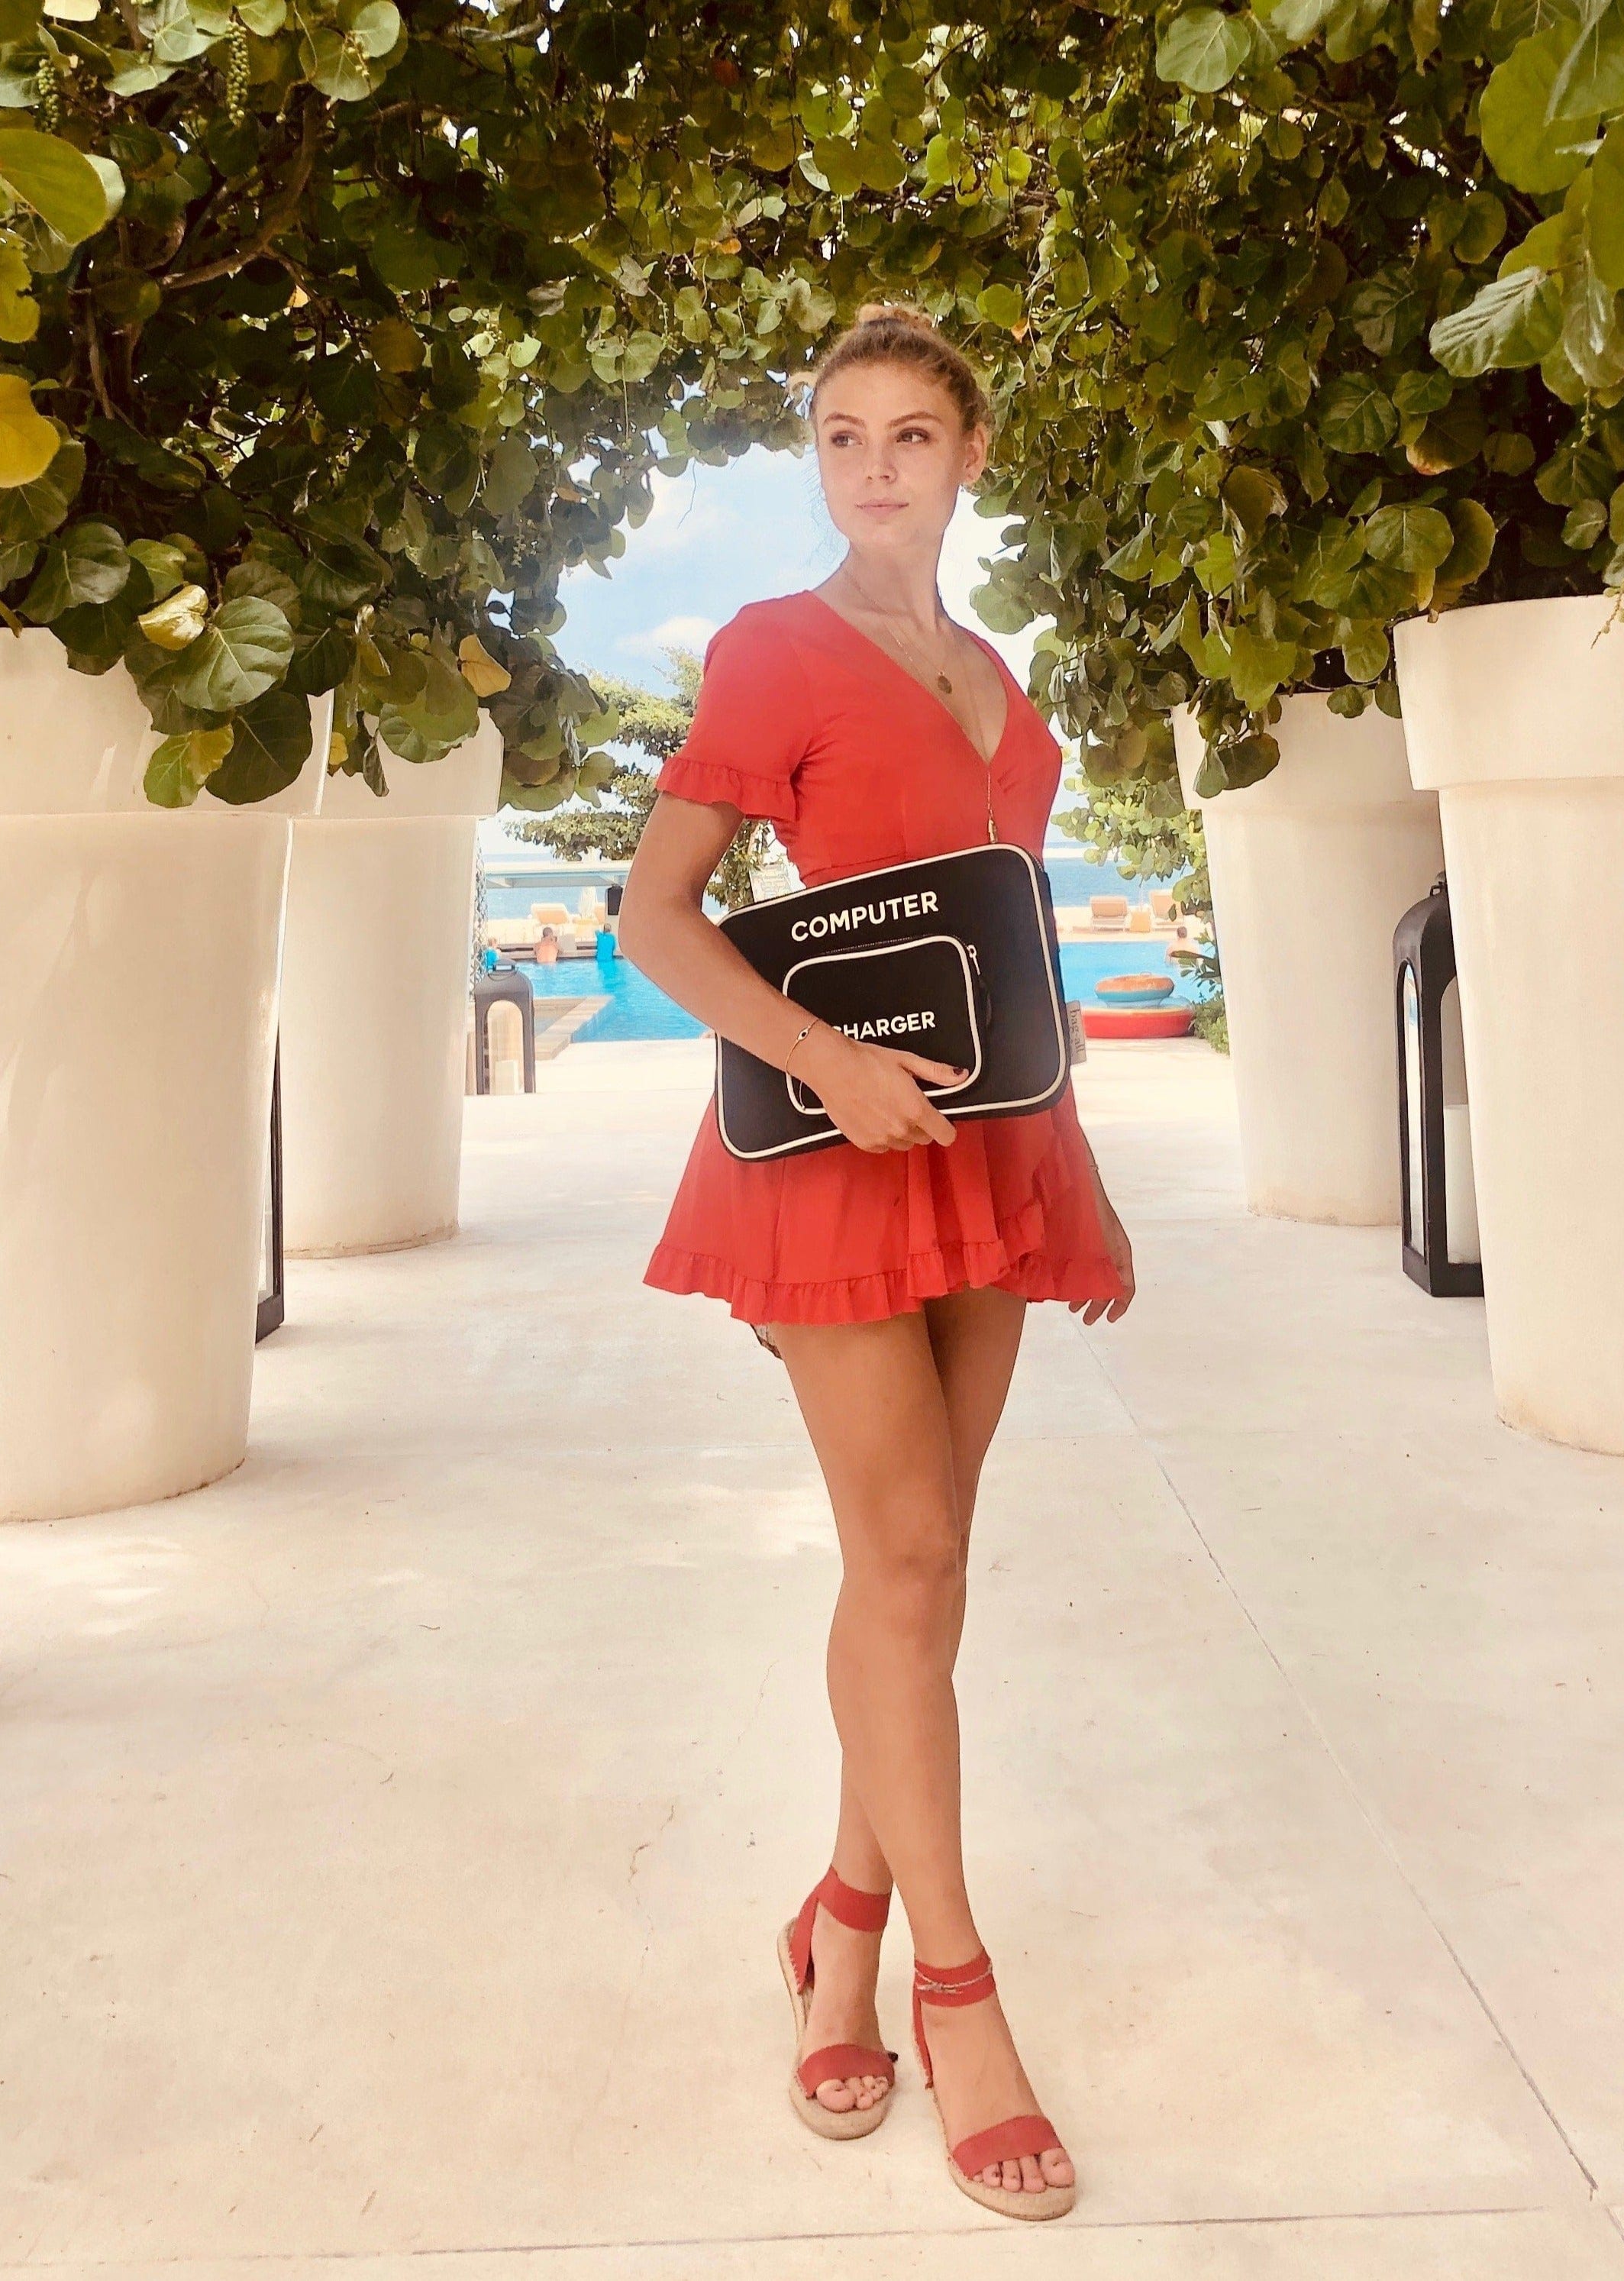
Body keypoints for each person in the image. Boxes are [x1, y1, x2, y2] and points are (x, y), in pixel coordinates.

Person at [620, 305, 1135, 2224]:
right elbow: (657, 919)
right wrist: (826, 1061)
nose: (875, 468)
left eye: (911, 435)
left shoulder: (996, 672)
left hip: (992, 1159)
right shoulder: (774, 652)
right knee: (907, 1561)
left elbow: (1011, 962)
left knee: (919, 1581)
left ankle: (838, 1923)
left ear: (968, 455)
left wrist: (1077, 1172)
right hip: (830, 1162)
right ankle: (955, 1996)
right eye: (842, 437)